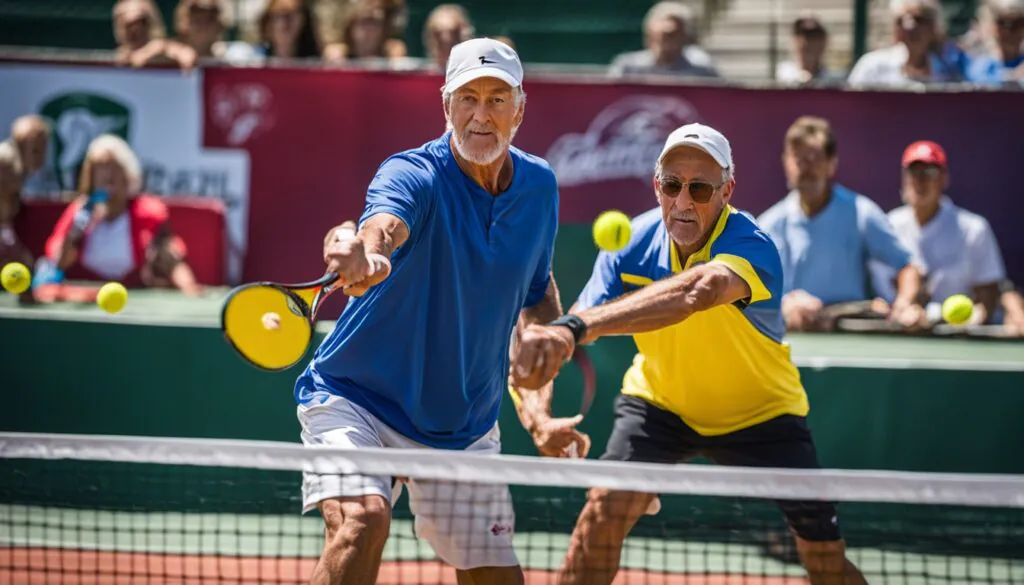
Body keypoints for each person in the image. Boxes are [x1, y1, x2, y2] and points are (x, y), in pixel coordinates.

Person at [511, 123, 867, 585]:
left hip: (763, 413)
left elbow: (698, 292)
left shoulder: (750, 244)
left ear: (727, 190)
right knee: (600, 519)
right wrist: (539, 412)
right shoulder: (630, 246)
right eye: (672, 185)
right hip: (661, 406)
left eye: (699, 188)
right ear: (657, 185)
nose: (682, 202)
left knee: (823, 559)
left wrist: (575, 328)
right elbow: (565, 333)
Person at [295, 38, 562, 585]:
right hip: (357, 399)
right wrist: (366, 254)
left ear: (520, 109)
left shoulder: (540, 187)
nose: (480, 115)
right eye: (467, 98)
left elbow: (538, 298)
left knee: (493, 576)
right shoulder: (412, 173)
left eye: (496, 99)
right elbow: (382, 226)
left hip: (463, 422)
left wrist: (536, 397)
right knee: (361, 524)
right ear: (446, 107)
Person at [758, 116, 925, 333]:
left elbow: (908, 268)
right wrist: (785, 305)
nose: (805, 168)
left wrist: (903, 305)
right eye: (798, 159)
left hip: (849, 332)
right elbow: (746, 291)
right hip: (787, 337)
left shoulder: (861, 212)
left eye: (813, 158)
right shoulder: (768, 224)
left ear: (831, 164)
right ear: (786, 162)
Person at [871, 141, 1024, 335]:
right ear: (904, 178)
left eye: (930, 173)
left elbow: (988, 296)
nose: (921, 180)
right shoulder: (887, 226)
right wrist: (896, 311)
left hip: (958, 338)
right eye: (914, 172)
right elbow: (879, 293)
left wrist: (968, 322)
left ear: (944, 178)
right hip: (899, 335)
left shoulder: (973, 228)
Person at [32, 134, 202, 297]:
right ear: (90, 175)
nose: (108, 176)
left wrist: (189, 289)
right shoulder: (80, 211)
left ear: (128, 175)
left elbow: (171, 260)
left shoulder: (148, 212)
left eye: (114, 168)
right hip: (85, 297)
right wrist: (77, 228)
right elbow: (57, 262)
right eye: (100, 168)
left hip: (136, 301)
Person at [847, 0, 967, 87]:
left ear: (934, 28)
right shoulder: (873, 67)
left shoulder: (949, 72)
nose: (911, 26)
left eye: (920, 19)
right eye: (902, 20)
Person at [608, 1, 719, 79]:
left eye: (673, 35)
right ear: (649, 35)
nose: (666, 42)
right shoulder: (628, 69)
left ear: (685, 36)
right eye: (662, 36)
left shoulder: (702, 71)